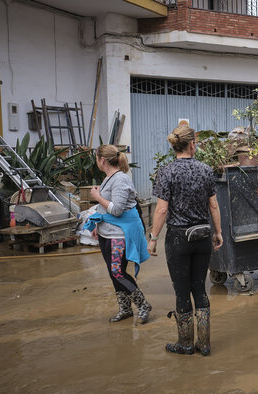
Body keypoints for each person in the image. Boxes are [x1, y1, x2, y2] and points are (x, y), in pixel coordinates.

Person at [148, 125, 223, 356]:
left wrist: (153, 238)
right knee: (200, 288)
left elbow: (161, 210)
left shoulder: (166, 172)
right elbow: (213, 204)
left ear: (174, 146)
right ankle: (205, 344)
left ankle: (185, 343)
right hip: (202, 236)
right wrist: (217, 232)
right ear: (192, 145)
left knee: (182, 291)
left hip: (178, 238)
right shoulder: (205, 170)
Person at [87, 145, 152, 324]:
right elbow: (106, 208)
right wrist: (97, 224)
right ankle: (125, 309)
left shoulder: (121, 180)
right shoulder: (109, 178)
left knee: (117, 272)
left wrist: (97, 196)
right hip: (106, 233)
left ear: (102, 160)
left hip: (119, 235)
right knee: (114, 272)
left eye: (96, 159)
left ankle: (143, 304)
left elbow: (116, 210)